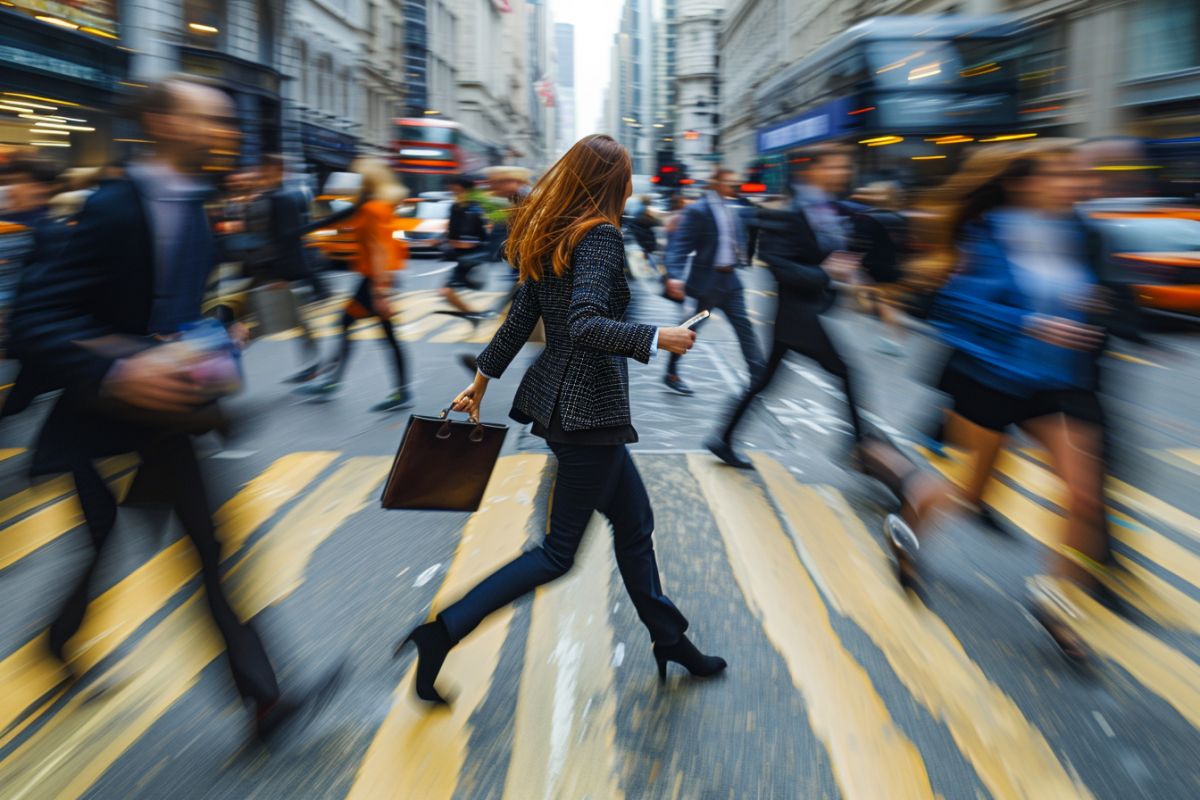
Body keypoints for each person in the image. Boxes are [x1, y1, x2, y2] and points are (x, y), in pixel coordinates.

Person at [8, 77, 333, 742]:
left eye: (224, 121)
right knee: (111, 542)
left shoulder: (197, 207)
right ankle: (61, 641)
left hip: (168, 420)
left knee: (207, 551)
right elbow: (35, 319)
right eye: (205, 119)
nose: (223, 131)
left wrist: (218, 331)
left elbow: (177, 311)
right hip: (98, 412)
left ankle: (264, 699)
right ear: (160, 122)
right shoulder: (112, 206)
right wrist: (120, 367)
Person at [396, 135, 726, 705]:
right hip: (586, 412)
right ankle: (443, 632)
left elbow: (523, 315)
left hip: (564, 406)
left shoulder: (556, 232)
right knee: (557, 554)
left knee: (635, 524)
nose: (629, 185)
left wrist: (480, 381)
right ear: (612, 183)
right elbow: (582, 325)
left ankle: (671, 640)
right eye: (625, 175)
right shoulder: (599, 237)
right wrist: (656, 337)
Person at [859, 141, 1112, 664]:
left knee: (1085, 498)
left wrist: (1092, 307)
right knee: (971, 495)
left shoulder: (1072, 232)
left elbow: (1092, 294)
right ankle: (907, 530)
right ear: (1023, 183)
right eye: (1059, 174)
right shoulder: (987, 234)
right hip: (989, 379)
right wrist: (1031, 322)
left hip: (1055, 383)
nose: (1073, 184)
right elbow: (954, 309)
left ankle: (1055, 604)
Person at [705, 145, 866, 468]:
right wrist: (826, 272)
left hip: (799, 315)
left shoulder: (825, 209)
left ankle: (722, 438)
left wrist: (846, 269)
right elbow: (778, 264)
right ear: (813, 170)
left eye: (844, 167)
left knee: (765, 381)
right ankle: (860, 447)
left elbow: (822, 255)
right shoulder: (788, 211)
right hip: (797, 315)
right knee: (845, 372)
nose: (842, 173)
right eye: (835, 166)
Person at [297, 157, 412, 411]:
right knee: (367, 330)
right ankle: (397, 390)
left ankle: (336, 383)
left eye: (360, 177)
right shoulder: (376, 205)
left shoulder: (374, 209)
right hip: (374, 280)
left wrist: (381, 292)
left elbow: (380, 249)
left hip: (374, 281)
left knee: (369, 331)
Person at [662, 168, 766, 396]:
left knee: (744, 327)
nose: (735, 187)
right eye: (730, 183)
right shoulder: (699, 211)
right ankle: (671, 373)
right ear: (717, 183)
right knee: (689, 330)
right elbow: (679, 246)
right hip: (707, 284)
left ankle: (758, 378)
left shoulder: (731, 208)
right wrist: (675, 275)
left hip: (731, 282)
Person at [255, 153, 323, 382]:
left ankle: (315, 367)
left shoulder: (282, 198)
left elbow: (287, 239)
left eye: (267, 171)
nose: (263, 175)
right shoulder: (276, 196)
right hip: (285, 271)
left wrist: (280, 275)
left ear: (279, 171)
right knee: (297, 322)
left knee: (293, 321)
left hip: (288, 272)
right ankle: (314, 366)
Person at [846, 181, 910, 356]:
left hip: (874, 265)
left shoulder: (867, 217)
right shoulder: (900, 217)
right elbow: (905, 244)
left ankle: (894, 340)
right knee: (888, 301)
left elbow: (856, 244)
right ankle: (896, 336)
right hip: (895, 265)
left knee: (879, 301)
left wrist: (855, 263)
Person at [437, 175, 490, 321]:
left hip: (471, 258)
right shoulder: (455, 207)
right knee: (446, 291)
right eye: (452, 189)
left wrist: (453, 242)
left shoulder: (473, 210)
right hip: (462, 257)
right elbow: (452, 231)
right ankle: (474, 315)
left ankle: (475, 315)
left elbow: (474, 238)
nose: (452, 191)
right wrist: (443, 240)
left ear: (464, 190)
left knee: (446, 291)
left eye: (456, 188)